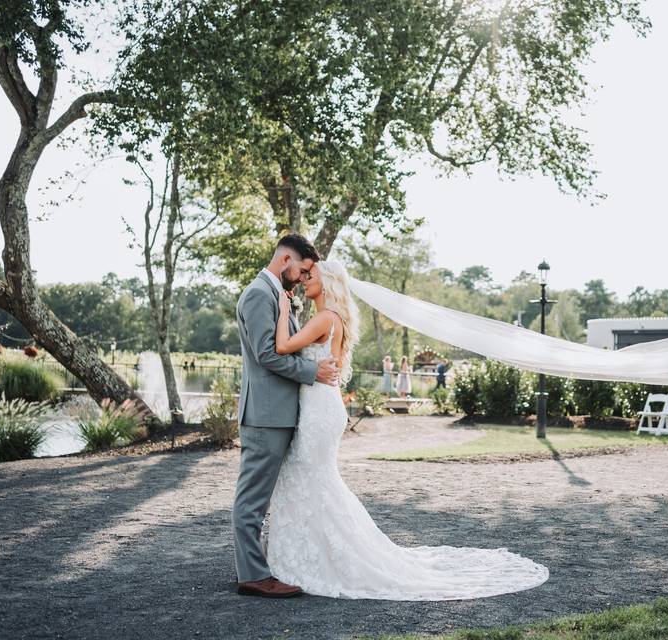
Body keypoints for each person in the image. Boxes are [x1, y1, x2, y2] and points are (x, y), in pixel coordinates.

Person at [266, 258, 548, 600]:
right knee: (314, 480)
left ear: (327, 282)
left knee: (308, 477)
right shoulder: (330, 319)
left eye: (310, 275)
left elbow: (282, 347)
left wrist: (282, 308)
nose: (304, 279)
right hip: (323, 408)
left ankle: (319, 558)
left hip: (320, 412)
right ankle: (313, 554)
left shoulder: (326, 318)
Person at [232, 234, 339, 599]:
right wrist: (313, 373)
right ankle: (253, 576)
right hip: (265, 415)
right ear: (286, 260)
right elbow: (267, 355)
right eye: (303, 269)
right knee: (252, 501)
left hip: (278, 413)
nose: (303, 277)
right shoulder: (259, 294)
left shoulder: (277, 295)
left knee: (265, 499)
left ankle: (260, 567)